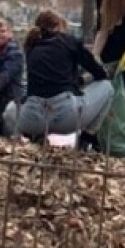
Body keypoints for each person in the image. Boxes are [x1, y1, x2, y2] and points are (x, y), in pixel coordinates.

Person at [14, 8, 113, 146]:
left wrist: (78, 80)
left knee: (14, 107)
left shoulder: (31, 46)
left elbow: (52, 79)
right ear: (59, 25)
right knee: (107, 87)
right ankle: (87, 137)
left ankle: (36, 136)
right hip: (66, 117)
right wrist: (92, 77)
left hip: (31, 119)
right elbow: (98, 72)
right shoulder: (68, 41)